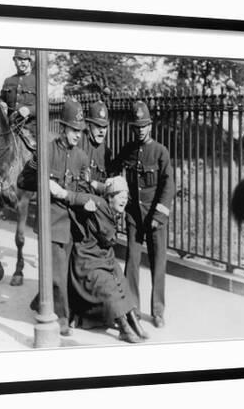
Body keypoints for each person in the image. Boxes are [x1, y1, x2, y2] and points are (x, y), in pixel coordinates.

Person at [18, 98, 90, 336]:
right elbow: (23, 180)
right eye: (73, 130)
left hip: (72, 223)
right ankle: (61, 318)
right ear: (63, 128)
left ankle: (41, 302)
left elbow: (83, 190)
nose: (77, 135)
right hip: (51, 222)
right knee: (57, 274)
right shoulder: (46, 151)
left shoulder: (81, 157)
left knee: (65, 272)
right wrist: (44, 182)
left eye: (80, 131)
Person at [49, 176, 149, 343]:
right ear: (110, 197)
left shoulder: (114, 212)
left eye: (126, 197)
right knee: (108, 286)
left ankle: (134, 321)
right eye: (120, 196)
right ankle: (123, 326)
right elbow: (68, 196)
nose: (124, 200)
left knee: (121, 281)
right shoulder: (95, 202)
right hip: (87, 259)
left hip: (104, 257)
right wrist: (50, 184)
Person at [110, 101, 175, 328]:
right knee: (132, 260)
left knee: (158, 263)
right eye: (136, 127)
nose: (140, 130)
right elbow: (114, 168)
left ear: (150, 126)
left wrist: (159, 215)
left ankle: (157, 310)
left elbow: (169, 186)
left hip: (154, 216)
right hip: (134, 215)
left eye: (144, 126)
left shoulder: (160, 152)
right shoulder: (128, 149)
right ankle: (133, 307)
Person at [0, 48, 37, 150]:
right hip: (10, 127)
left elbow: (45, 105)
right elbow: (1, 98)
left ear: (29, 61)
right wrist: (2, 103)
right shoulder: (8, 81)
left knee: (36, 155)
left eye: (26, 59)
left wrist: (29, 110)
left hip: (31, 129)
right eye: (19, 59)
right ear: (14, 60)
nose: (23, 61)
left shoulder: (36, 80)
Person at [79, 100, 113, 194]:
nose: (102, 131)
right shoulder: (78, 144)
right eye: (98, 126)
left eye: (104, 127)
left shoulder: (106, 152)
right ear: (89, 126)